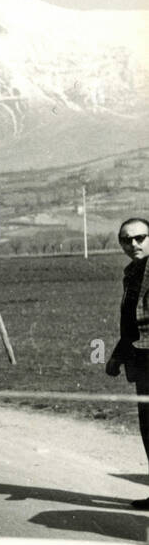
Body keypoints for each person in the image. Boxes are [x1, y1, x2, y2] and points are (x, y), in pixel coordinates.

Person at [107, 217, 149, 509]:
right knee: (148, 426)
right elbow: (133, 322)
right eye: (126, 240)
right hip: (142, 360)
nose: (133, 244)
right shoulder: (133, 271)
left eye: (140, 238)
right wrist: (118, 356)